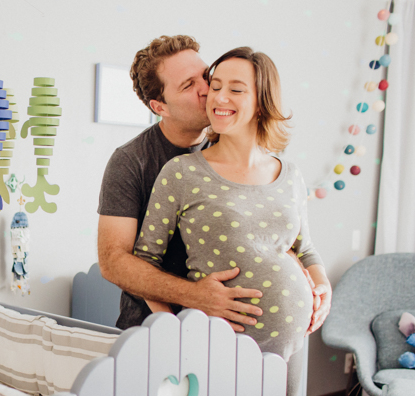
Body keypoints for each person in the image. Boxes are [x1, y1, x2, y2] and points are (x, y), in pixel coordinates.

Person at [133, 46, 331, 396]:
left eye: (236, 89)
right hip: (222, 343)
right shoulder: (182, 173)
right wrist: (175, 328)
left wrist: (322, 286)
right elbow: (144, 258)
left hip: (292, 344)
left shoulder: (289, 173)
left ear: (261, 100)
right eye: (215, 85)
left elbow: (303, 246)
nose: (218, 97)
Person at [97, 35, 332, 333]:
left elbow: (282, 241)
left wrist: (315, 284)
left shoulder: (243, 149)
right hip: (158, 329)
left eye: (206, 77)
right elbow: (114, 262)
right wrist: (193, 298)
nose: (209, 91)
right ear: (160, 107)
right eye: (188, 85)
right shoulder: (134, 162)